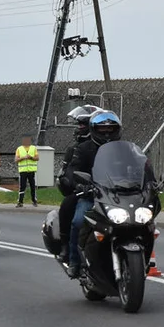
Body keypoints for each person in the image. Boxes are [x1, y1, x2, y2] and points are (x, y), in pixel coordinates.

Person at [64, 110, 122, 278]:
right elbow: (73, 169)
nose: (106, 132)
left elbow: (138, 167)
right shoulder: (84, 148)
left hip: (119, 197)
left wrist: (149, 182)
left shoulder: (124, 148)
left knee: (142, 222)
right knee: (78, 221)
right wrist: (78, 184)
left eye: (110, 129)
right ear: (94, 130)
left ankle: (144, 259)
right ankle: (75, 262)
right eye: (102, 129)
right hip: (92, 195)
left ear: (116, 130)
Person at [56, 105, 102, 251]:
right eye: (79, 124)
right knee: (68, 206)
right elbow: (70, 171)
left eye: (83, 124)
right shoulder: (76, 149)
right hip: (86, 190)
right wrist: (71, 181)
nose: (79, 128)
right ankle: (67, 247)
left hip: (110, 191)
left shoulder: (109, 145)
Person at [15, 134, 39, 207]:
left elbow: (37, 158)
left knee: (32, 186)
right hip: (23, 171)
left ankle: (34, 201)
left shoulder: (33, 148)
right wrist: (23, 158)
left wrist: (31, 157)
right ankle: (20, 202)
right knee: (22, 187)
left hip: (31, 171)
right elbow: (16, 160)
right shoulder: (19, 149)